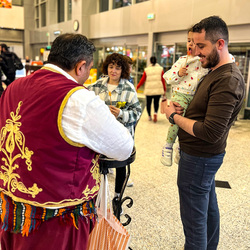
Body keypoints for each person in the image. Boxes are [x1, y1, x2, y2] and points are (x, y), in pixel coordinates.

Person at [0, 33, 134, 250]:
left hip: (13, 210)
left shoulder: (14, 87)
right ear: (81, 66)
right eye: (88, 69)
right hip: (57, 220)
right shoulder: (79, 98)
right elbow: (123, 147)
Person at [161, 16, 245, 249]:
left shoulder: (227, 79)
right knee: (206, 209)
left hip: (200, 157)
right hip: (201, 157)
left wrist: (173, 116)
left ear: (220, 44)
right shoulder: (212, 71)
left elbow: (210, 131)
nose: (196, 52)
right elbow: (202, 111)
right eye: (193, 45)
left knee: (194, 221)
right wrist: (182, 108)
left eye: (201, 46)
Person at [88, 53, 142, 213]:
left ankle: (118, 197)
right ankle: (96, 196)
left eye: (117, 68)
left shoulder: (128, 88)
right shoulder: (97, 86)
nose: (113, 71)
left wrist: (121, 114)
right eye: (111, 67)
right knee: (96, 167)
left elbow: (137, 113)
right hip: (101, 138)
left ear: (123, 70)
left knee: (121, 167)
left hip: (121, 138)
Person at [160, 28, 209, 166]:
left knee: (188, 124)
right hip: (180, 95)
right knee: (177, 120)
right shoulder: (182, 60)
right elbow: (167, 77)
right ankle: (168, 145)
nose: (191, 44)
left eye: (195, 42)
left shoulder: (202, 62)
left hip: (195, 97)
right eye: (189, 41)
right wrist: (179, 74)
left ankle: (180, 147)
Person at [136, 56, 166, 122]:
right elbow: (163, 80)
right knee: (156, 103)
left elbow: (142, 80)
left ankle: (149, 116)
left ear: (150, 61)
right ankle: (155, 113)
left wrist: (137, 87)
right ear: (156, 61)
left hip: (149, 90)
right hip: (158, 90)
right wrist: (164, 89)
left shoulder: (147, 70)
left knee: (148, 103)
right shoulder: (160, 69)